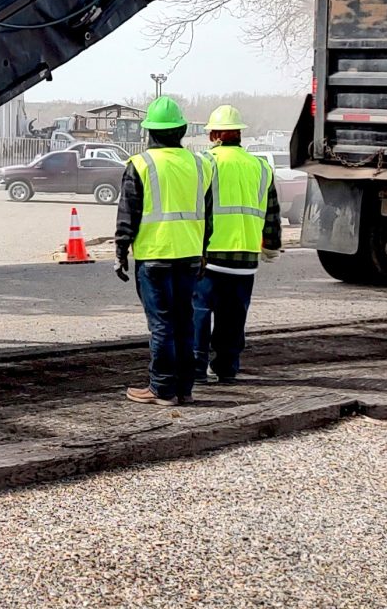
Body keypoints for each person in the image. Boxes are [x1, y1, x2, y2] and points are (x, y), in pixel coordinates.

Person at [114, 95, 211, 406]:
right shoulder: (200, 165)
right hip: (189, 256)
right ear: (181, 130)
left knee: (161, 325)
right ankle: (184, 388)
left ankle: (162, 388)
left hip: (154, 257)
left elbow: (128, 214)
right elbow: (206, 215)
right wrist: (203, 251)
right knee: (185, 323)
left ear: (149, 132)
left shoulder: (140, 164)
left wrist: (120, 252)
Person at [193, 104, 281, 384]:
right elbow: (272, 212)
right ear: (239, 135)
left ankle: (197, 367)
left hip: (212, 255)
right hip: (245, 258)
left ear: (214, 135)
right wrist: (271, 246)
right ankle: (227, 367)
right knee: (234, 315)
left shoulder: (207, 163)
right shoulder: (261, 167)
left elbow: (200, 210)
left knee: (201, 311)